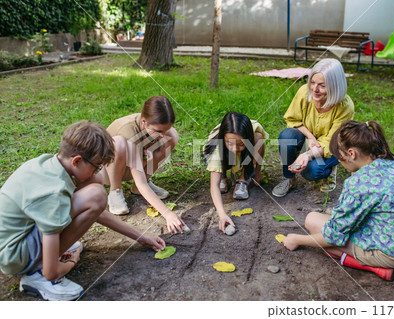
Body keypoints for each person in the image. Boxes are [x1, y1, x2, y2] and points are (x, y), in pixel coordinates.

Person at [0, 120, 165, 301]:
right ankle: (34, 275)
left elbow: (97, 212)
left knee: (94, 190)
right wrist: (71, 261)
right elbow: (51, 271)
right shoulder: (53, 193)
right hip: (14, 255)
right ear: (77, 161)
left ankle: (45, 255)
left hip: (18, 240)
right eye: (97, 167)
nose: (97, 174)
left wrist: (142, 238)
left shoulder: (52, 164)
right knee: (96, 193)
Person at [282, 120, 394, 280]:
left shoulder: (358, 183)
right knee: (331, 222)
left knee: (312, 222)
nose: (338, 160)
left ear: (352, 154)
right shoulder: (391, 163)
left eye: (339, 156)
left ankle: (379, 268)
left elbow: (332, 236)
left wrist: (296, 239)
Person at [272, 58, 354, 197]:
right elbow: (293, 119)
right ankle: (289, 179)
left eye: (322, 85)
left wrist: (307, 155)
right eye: (312, 82)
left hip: (333, 146)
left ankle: (329, 169)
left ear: (335, 86)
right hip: (309, 138)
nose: (315, 89)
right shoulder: (305, 92)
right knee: (286, 137)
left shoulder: (345, 106)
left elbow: (332, 142)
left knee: (312, 171)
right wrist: (309, 137)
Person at [103, 95, 185, 233]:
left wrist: (147, 151)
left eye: (165, 129)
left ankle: (140, 185)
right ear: (144, 122)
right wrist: (168, 214)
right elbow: (139, 178)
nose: (163, 134)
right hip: (106, 170)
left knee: (172, 136)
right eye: (158, 131)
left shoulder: (156, 127)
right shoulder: (128, 130)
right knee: (120, 143)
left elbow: (157, 139)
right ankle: (115, 191)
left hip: (134, 164)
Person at [203, 111, 268, 233]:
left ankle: (243, 178)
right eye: (230, 143)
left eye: (240, 144)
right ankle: (222, 175)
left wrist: (257, 172)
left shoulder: (253, 131)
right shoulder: (216, 149)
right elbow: (214, 187)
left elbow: (260, 148)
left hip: (244, 154)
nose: (234, 149)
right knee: (220, 176)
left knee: (259, 139)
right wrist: (222, 215)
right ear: (224, 138)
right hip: (221, 156)